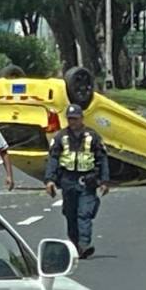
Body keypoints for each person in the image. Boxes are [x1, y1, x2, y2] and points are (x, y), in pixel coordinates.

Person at [45, 104, 110, 258]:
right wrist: (50, 180)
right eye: (70, 119)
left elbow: (102, 158)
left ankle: (84, 244)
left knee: (84, 213)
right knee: (70, 214)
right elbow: (53, 159)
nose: (72, 122)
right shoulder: (61, 137)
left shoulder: (92, 137)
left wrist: (105, 181)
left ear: (82, 118)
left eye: (75, 119)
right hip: (68, 181)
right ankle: (75, 244)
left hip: (87, 181)